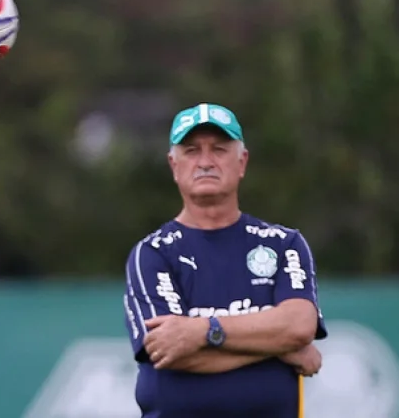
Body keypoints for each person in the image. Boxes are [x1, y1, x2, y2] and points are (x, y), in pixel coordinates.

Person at [122, 103, 328, 418]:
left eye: (219, 149)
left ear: (242, 161)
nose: (205, 161)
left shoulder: (284, 244)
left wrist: (204, 331)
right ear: (174, 166)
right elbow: (169, 352)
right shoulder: (153, 253)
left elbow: (299, 326)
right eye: (192, 151)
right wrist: (277, 346)